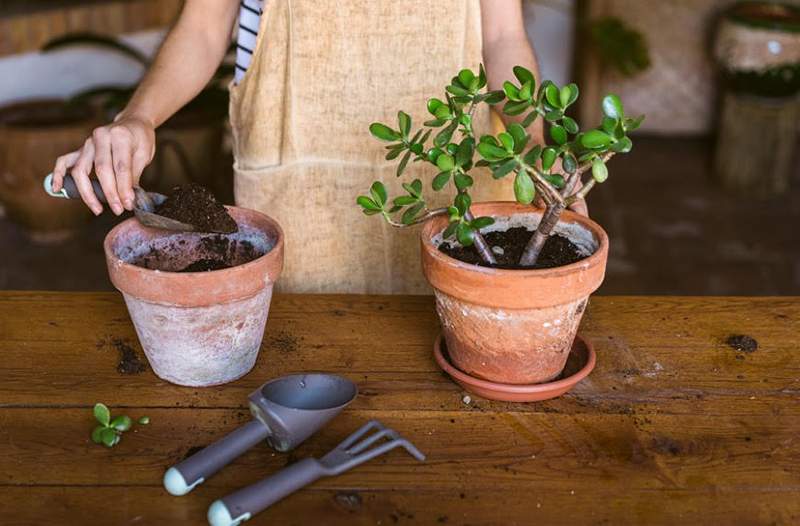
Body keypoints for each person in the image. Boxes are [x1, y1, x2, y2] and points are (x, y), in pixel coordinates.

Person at [51, 0, 580, 293]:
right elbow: (204, 29)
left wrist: (532, 143)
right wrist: (138, 118)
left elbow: (502, 38)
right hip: (299, 195)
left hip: (453, 193)